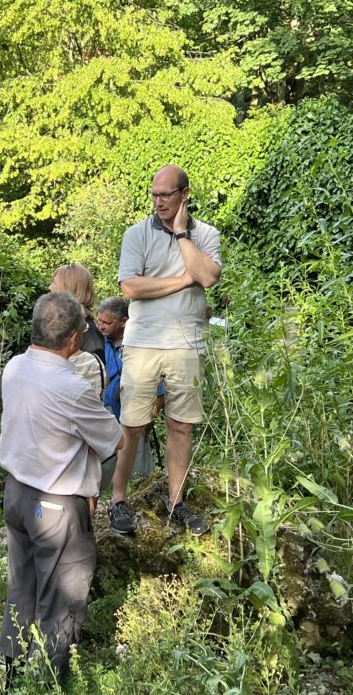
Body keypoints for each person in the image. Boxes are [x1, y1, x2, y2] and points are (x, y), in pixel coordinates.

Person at [0, 292, 122, 688]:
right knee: (61, 603)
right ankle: (48, 682)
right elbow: (113, 439)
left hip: (16, 494)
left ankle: (14, 675)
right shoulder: (72, 386)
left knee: (21, 587)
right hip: (57, 505)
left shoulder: (14, 367)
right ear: (73, 340)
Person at [109, 165, 222, 537]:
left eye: (166, 195)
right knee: (133, 425)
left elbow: (206, 276)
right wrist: (181, 281)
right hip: (142, 343)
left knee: (181, 426)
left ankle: (176, 502)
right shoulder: (135, 234)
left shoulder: (205, 234)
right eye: (154, 195)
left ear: (184, 195)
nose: (158, 202)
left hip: (187, 343)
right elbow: (130, 288)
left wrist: (181, 236)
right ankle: (118, 500)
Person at [98, 296, 158, 478]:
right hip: (108, 419)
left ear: (124, 321)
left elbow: (158, 387)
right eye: (98, 321)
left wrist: (151, 416)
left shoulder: (139, 345)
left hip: (135, 420)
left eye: (107, 322)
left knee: (137, 474)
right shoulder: (102, 343)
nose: (101, 326)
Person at [49, 263, 105, 363]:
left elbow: (93, 374)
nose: (50, 287)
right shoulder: (64, 326)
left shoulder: (88, 336)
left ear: (68, 289)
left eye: (54, 282)